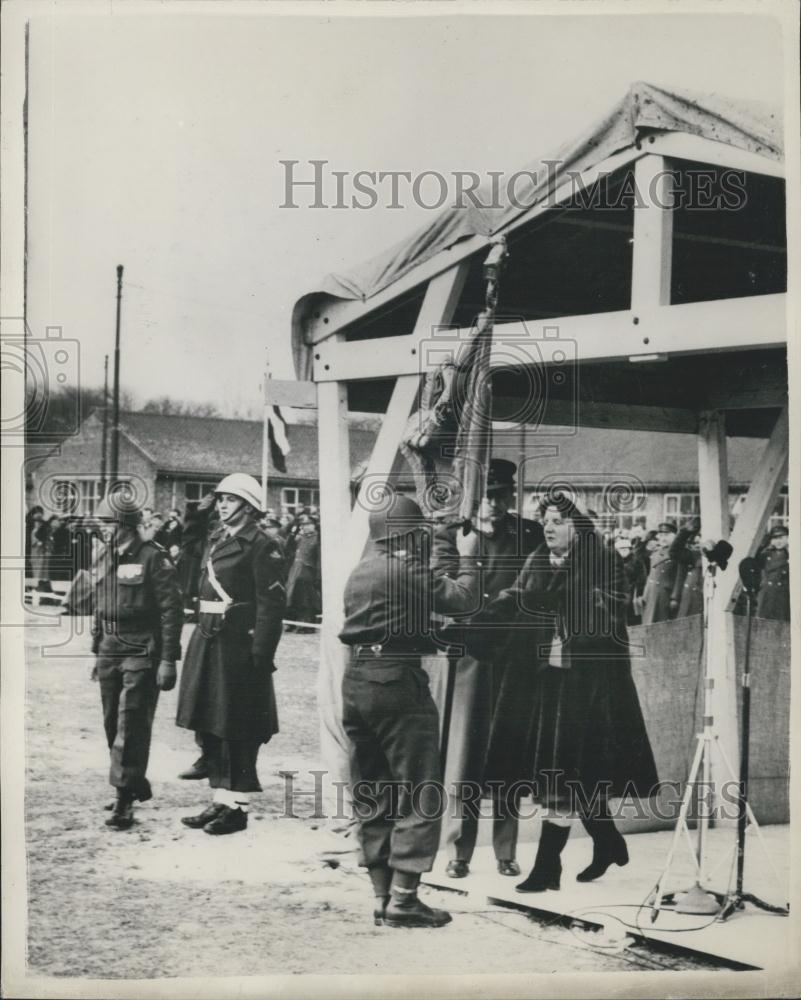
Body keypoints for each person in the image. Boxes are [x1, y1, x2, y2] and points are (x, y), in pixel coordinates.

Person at [482, 491, 659, 893]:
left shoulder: (602, 560)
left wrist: (562, 602)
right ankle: (609, 842)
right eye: (545, 520)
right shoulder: (537, 561)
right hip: (549, 683)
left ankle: (547, 868)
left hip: (592, 686)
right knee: (577, 771)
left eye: (557, 521)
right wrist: (478, 620)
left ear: (577, 529)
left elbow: (613, 610)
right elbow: (515, 596)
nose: (548, 527)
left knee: (564, 773)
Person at [339, 493, 479, 929]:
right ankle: (405, 900)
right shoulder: (404, 568)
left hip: (358, 681)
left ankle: (383, 897)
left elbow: (408, 619)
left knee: (373, 792)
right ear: (407, 534)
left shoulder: (363, 570)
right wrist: (462, 551)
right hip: (397, 683)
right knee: (421, 790)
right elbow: (460, 598)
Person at [434, 458, 543, 880]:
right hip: (469, 662)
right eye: (486, 495)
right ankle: (459, 850)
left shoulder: (529, 535)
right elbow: (448, 595)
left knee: (509, 756)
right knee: (464, 756)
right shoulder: (450, 535)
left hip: (513, 660)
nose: (494, 504)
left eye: (501, 496)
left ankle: (505, 850)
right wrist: (471, 555)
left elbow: (536, 590)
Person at [176, 473, 285, 834]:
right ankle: (220, 800)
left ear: (249, 506)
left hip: (239, 644)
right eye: (219, 498)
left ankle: (238, 808)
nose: (222, 504)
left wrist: (260, 654)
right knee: (213, 721)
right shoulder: (219, 536)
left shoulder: (262, 545)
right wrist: (201, 508)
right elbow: (188, 537)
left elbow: (271, 605)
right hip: (209, 637)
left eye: (231, 499)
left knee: (238, 725)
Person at [91, 493, 183, 830]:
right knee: (110, 722)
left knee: (131, 722)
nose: (101, 530)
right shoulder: (104, 556)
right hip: (109, 647)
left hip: (141, 646)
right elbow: (101, 605)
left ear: (124, 525)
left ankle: (124, 797)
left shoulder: (152, 557)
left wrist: (168, 660)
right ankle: (131, 782)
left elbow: (172, 612)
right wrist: (96, 647)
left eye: (106, 523)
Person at [285, 513, 320, 632]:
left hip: (308, 570)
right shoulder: (300, 538)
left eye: (309, 524)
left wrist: (317, 574)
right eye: (303, 525)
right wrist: (292, 532)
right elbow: (288, 548)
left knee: (306, 599)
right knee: (293, 597)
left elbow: (319, 558)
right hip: (295, 570)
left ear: (314, 525)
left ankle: (307, 625)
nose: (306, 527)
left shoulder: (318, 538)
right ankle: (294, 623)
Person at [641, 521, 680, 624]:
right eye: (661, 535)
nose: (662, 538)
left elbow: (680, 577)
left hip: (665, 595)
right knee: (649, 623)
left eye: (666, 535)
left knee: (662, 625)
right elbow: (650, 575)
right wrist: (645, 593)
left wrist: (674, 598)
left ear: (675, 536)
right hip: (652, 595)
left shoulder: (679, 553)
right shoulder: (655, 553)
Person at [756, 524, 790, 621]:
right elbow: (758, 564)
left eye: (781, 537)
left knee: (782, 622)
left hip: (783, 595)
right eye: (775, 538)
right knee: (764, 621)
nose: (778, 541)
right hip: (767, 594)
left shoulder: (790, 554)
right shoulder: (766, 554)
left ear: (788, 538)